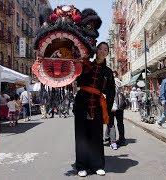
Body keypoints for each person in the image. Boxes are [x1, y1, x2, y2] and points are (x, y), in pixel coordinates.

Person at [73, 42, 115, 177]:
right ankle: (81, 166)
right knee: (81, 136)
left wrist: (107, 110)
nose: (103, 51)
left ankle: (97, 165)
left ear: (107, 53)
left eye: (105, 49)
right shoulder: (86, 65)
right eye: (100, 48)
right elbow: (77, 80)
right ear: (96, 51)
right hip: (81, 103)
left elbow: (111, 92)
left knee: (97, 136)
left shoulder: (108, 72)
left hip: (97, 105)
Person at [104, 71, 127, 150]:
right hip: (120, 106)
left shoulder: (109, 82)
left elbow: (106, 94)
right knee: (120, 123)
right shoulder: (120, 82)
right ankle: (122, 139)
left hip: (112, 106)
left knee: (111, 124)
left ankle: (113, 142)